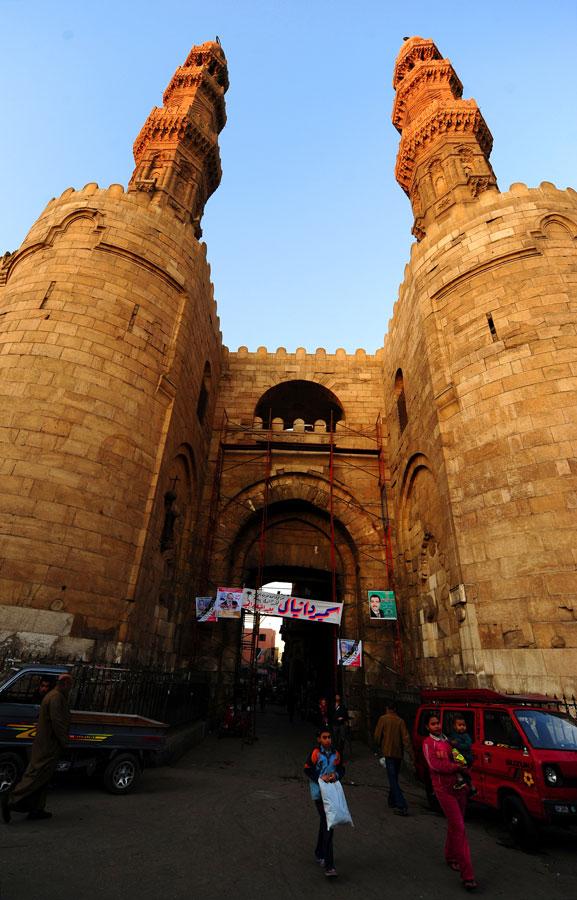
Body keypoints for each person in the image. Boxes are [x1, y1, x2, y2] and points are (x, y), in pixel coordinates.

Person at [2, 673, 73, 823]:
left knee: (44, 778)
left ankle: (37, 809)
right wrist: (64, 741)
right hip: (48, 745)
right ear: (65, 683)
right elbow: (57, 723)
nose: (71, 688)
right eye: (70, 685)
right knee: (36, 775)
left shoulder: (56, 696)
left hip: (47, 744)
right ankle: (11, 800)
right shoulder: (55, 698)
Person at [422, 713, 477, 891]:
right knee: (460, 827)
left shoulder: (448, 741)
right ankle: (468, 875)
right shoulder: (428, 743)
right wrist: (456, 767)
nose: (437, 726)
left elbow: (461, 756)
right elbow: (435, 765)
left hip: (459, 787)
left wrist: (465, 769)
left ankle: (451, 856)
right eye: (433, 724)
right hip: (443, 789)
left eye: (438, 723)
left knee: (455, 825)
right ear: (427, 727)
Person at [304, 727, 344, 878]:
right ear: (319, 739)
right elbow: (307, 769)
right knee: (329, 824)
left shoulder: (336, 754)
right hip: (318, 794)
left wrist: (336, 775)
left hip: (332, 793)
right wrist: (320, 778)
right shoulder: (315, 753)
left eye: (329, 737)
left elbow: (341, 768)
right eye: (324, 737)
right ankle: (329, 865)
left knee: (325, 822)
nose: (328, 740)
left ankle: (319, 852)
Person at [373, 701, 413, 816]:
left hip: (388, 752)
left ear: (387, 708)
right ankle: (392, 800)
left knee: (392, 779)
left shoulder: (383, 719)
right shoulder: (400, 721)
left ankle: (402, 804)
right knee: (394, 776)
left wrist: (379, 745)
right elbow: (406, 738)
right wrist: (410, 753)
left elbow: (377, 736)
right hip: (398, 753)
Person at [449, 716, 476, 795]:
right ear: (454, 726)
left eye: (463, 725)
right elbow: (450, 740)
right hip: (460, 757)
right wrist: (450, 742)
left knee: (455, 767)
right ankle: (472, 788)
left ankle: (460, 780)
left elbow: (468, 745)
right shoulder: (454, 734)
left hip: (466, 757)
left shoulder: (466, 736)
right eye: (459, 725)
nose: (462, 727)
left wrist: (457, 745)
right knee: (465, 773)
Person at [331, 694, 349, 758]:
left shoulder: (342, 706)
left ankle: (341, 751)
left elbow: (345, 714)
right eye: (336, 696)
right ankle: (336, 752)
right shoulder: (332, 706)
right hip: (335, 724)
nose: (337, 697)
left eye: (338, 696)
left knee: (342, 738)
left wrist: (343, 718)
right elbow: (330, 714)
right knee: (335, 738)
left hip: (341, 724)